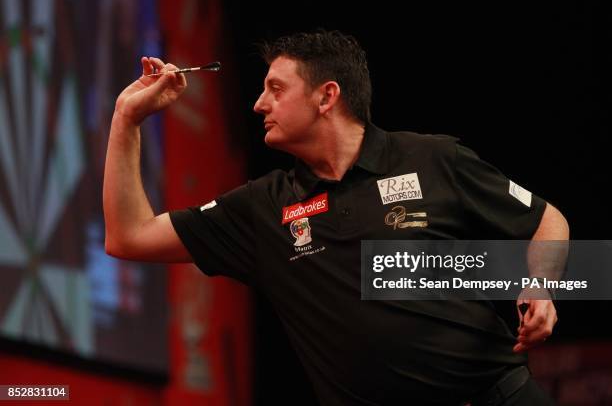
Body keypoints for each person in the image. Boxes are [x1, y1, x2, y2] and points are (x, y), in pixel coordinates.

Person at [104, 30, 568, 405]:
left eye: (275, 89)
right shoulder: (262, 208)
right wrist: (126, 119)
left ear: (326, 97)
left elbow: (549, 220)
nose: (258, 105)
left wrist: (542, 286)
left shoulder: (434, 158)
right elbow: (129, 237)